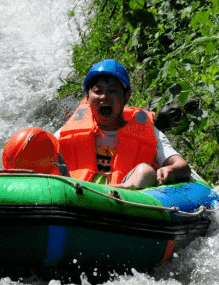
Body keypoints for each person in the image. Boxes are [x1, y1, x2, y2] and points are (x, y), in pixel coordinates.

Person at [55, 59, 190, 189]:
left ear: (126, 97)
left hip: (126, 200)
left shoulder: (148, 131)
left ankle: (119, 192)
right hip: (76, 193)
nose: (104, 96)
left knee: (145, 171)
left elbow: (182, 166)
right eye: (98, 91)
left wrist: (170, 170)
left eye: (112, 90)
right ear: (87, 97)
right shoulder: (67, 132)